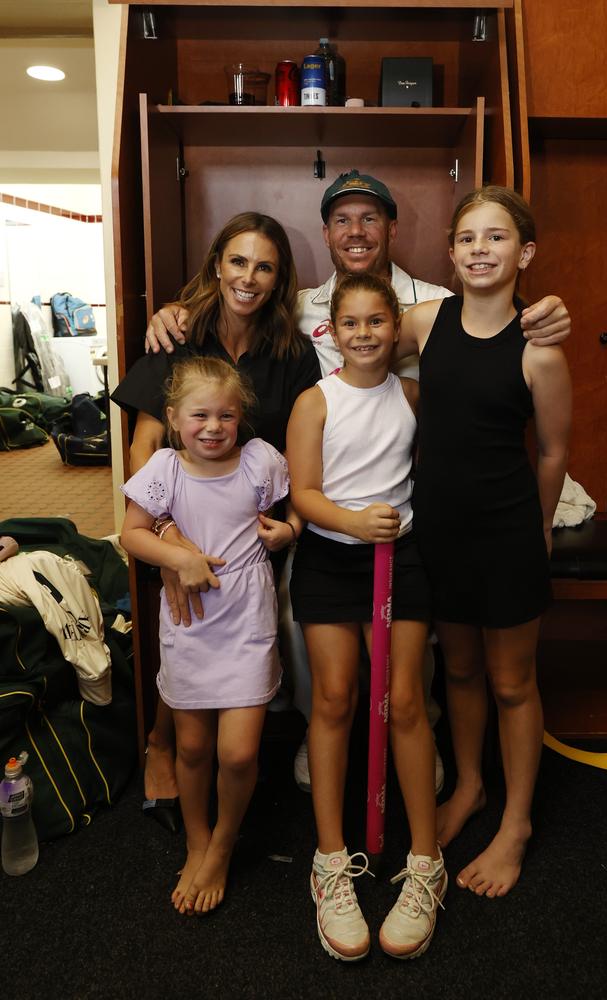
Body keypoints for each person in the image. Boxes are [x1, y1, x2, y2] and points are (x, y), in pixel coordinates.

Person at [142, 170, 571, 796]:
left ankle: (415, 737)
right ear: (326, 234)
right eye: (342, 220)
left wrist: (549, 308)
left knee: (442, 656)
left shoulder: (426, 302)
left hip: (418, 499)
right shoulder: (307, 302)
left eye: (370, 218)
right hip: (321, 495)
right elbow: (241, 298)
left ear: (394, 229)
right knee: (306, 618)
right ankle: (327, 733)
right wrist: (180, 308)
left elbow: (499, 337)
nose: (356, 231)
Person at [111, 212, 320, 830]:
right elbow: (144, 444)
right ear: (216, 265)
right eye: (237, 261)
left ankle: (238, 740)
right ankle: (162, 742)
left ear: (279, 280)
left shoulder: (292, 352)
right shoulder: (179, 334)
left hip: (250, 535)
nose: (248, 277)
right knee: (184, 627)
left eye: (264, 266)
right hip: (174, 523)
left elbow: (302, 452)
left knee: (236, 631)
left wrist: (289, 524)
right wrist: (171, 540)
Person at [397, 185, 572, 899]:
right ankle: (469, 786)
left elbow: (554, 453)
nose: (480, 249)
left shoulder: (540, 351)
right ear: (450, 252)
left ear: (524, 253)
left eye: (496, 238)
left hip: (505, 537)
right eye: (467, 237)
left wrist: (535, 531)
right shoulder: (425, 321)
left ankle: (518, 823)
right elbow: (351, 329)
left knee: (509, 681)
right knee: (460, 672)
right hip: (439, 530)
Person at [287, 272, 445, 961]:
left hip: (400, 561)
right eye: (349, 323)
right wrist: (354, 521)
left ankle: (426, 860)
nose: (363, 335)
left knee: (406, 701)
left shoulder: (414, 396)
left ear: (396, 326)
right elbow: (305, 494)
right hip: (330, 561)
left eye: (376, 323)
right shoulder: (313, 402)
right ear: (330, 331)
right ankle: (330, 860)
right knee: (334, 697)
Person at [120, 356, 296, 914]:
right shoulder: (164, 469)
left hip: (247, 619)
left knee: (239, 753)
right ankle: (197, 840)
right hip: (191, 623)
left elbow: (287, 514)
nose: (213, 427)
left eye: (226, 414)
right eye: (200, 415)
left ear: (241, 416)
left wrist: (288, 530)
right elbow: (131, 534)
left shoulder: (261, 461)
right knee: (193, 747)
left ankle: (222, 845)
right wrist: (178, 558)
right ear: (174, 419)